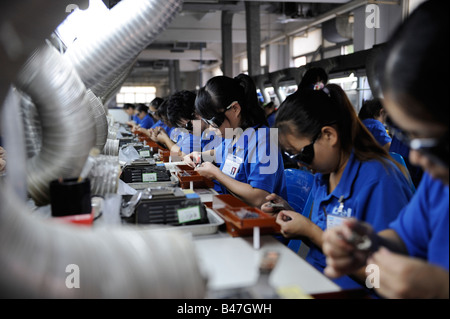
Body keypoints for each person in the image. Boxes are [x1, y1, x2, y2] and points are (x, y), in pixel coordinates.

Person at [322, 0, 448, 299]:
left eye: (431, 140)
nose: (415, 156)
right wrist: (368, 244)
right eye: (409, 135)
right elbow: (404, 238)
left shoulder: (382, 176)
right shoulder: (439, 181)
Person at [261, 84, 413, 289]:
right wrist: (292, 216)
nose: (299, 163)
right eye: (291, 155)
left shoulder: (380, 183)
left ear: (329, 135)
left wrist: (313, 233)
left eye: (302, 154)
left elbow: (382, 278)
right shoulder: (324, 177)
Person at [186, 74, 287, 207]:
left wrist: (217, 174)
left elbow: (261, 198)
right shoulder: (234, 135)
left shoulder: (265, 139)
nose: (211, 128)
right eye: (207, 122)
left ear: (235, 109)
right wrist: (198, 156)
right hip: (231, 209)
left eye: (214, 122)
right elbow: (218, 153)